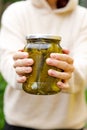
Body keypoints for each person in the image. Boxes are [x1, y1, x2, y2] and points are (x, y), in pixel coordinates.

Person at [0, 0, 87, 129]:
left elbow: (84, 66)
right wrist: (19, 70)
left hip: (68, 124)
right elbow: (6, 60)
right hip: (19, 123)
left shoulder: (83, 16)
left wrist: (67, 75)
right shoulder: (16, 12)